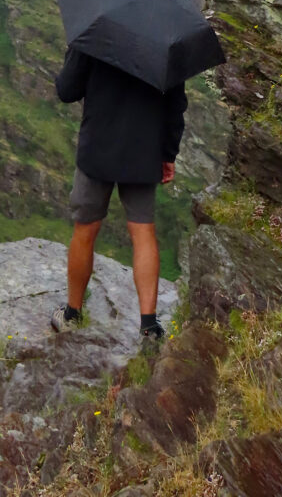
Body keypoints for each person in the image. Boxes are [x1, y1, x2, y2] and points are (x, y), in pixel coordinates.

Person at [51, 45, 188, 340]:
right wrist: (168, 153)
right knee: (142, 232)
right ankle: (149, 326)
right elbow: (176, 104)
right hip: (143, 150)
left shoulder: (96, 34)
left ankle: (72, 314)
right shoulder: (166, 43)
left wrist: (74, 52)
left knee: (85, 228)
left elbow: (67, 90)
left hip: (97, 147)